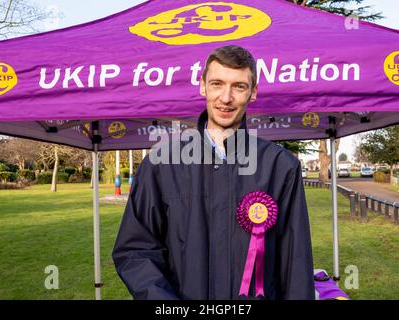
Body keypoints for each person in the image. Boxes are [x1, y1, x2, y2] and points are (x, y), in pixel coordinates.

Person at [112, 45, 315, 300]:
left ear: (253, 93)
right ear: (203, 86)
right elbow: (135, 251)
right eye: (217, 83)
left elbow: (295, 260)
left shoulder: (281, 166)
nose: (226, 97)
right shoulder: (160, 164)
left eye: (239, 86)